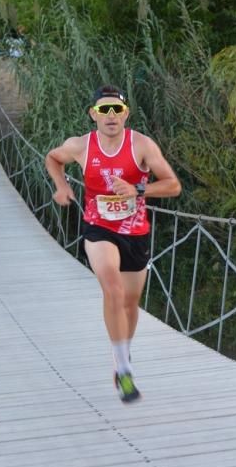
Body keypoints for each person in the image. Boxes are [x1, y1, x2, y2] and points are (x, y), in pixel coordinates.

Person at [45, 86, 182, 402]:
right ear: (93, 114)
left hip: (135, 233)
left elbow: (173, 185)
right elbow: (53, 158)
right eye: (103, 110)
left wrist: (138, 190)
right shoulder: (80, 146)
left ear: (126, 114)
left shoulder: (142, 146)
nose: (110, 116)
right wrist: (62, 186)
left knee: (131, 303)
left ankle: (123, 354)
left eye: (116, 110)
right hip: (98, 228)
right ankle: (123, 371)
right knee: (113, 289)